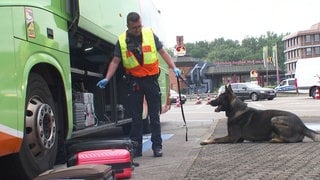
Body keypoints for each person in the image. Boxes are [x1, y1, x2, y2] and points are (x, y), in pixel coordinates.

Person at [96, 12, 181, 157]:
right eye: (135, 27)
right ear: (128, 26)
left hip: (151, 80)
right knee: (136, 117)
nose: (138, 29)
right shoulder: (122, 40)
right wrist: (108, 78)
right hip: (134, 81)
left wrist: (174, 67)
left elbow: (163, 52)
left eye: (139, 26)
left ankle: (157, 147)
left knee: (154, 116)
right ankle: (136, 148)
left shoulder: (149, 34)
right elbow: (115, 61)